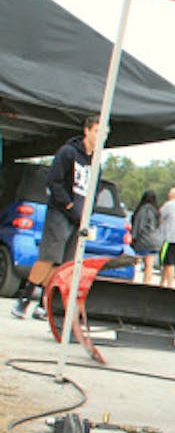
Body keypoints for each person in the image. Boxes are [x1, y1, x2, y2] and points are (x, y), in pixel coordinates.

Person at [11, 115, 100, 320]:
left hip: (78, 218)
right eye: (97, 131)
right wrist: (67, 203)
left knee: (63, 263)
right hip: (60, 212)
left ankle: (45, 302)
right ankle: (24, 299)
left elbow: (94, 189)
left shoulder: (95, 160)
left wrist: (88, 211)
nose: (100, 136)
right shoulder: (68, 152)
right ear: (87, 130)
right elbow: (54, 180)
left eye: (103, 133)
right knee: (50, 256)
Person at [130, 189, 162, 284]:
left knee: (135, 261)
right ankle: (146, 282)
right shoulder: (156, 211)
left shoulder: (143, 209)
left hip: (144, 240)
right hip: (155, 240)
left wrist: (133, 238)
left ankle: (132, 280)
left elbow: (138, 226)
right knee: (149, 264)